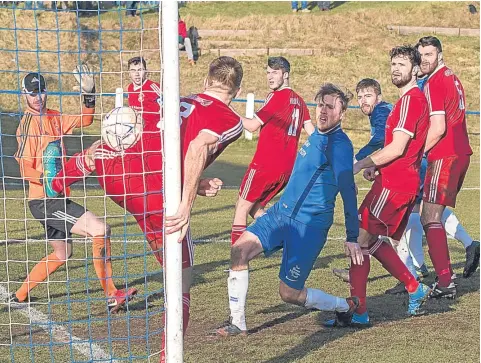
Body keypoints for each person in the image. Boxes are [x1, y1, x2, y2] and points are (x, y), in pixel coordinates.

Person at [49, 56, 245, 361]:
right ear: (236, 89)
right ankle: (169, 356)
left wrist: (195, 182)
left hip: (119, 175)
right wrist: (185, 203)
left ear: (207, 80)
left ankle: (58, 183)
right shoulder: (231, 120)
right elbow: (196, 148)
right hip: (156, 195)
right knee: (182, 279)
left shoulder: (180, 99)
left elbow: (160, 142)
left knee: (97, 153)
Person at [216, 83, 362, 337]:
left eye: (330, 107)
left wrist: (351, 237)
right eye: (321, 106)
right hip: (280, 215)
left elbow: (349, 192)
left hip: (309, 227)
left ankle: (343, 305)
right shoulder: (316, 135)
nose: (323, 112)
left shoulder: (340, 146)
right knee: (239, 251)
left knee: (289, 293)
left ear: (342, 114)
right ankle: (237, 323)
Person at [11, 69, 136, 312]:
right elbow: (24, 168)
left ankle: (19, 295)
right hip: (46, 200)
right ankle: (113, 294)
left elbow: (85, 119)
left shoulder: (54, 117)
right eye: (32, 93)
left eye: (41, 92)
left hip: (54, 197)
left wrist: (89, 94)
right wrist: (46, 181)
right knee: (100, 229)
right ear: (24, 95)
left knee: (62, 253)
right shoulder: (27, 125)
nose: (38, 97)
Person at [327, 46, 432, 328]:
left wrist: (360, 164)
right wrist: (377, 165)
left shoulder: (411, 101)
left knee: (360, 241)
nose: (396, 68)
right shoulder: (404, 102)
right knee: (369, 240)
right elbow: (399, 148)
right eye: (393, 64)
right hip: (391, 180)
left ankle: (361, 310)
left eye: (403, 64)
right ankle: (410, 288)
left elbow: (397, 148)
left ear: (416, 70)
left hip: (396, 185)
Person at [230, 57, 314, 246]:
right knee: (256, 208)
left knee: (242, 207)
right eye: (268, 72)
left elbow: (251, 126)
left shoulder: (278, 97)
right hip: (286, 169)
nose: (270, 76)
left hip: (265, 164)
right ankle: (285, 237)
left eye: (275, 72)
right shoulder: (300, 102)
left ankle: (237, 261)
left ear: (286, 75)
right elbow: (314, 135)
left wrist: (225, 109)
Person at [417, 36, 476, 298]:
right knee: (430, 215)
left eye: (429, 54)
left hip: (446, 154)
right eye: (421, 56)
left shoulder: (435, 82)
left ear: (440, 54)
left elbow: (438, 128)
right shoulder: (452, 76)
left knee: (429, 216)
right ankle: (445, 276)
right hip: (460, 151)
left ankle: (444, 282)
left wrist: (416, 152)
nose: (425, 60)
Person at [126, 56, 162, 125]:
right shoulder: (130, 88)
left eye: (140, 70)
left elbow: (166, 110)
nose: (137, 74)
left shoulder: (154, 88)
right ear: (129, 74)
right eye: (133, 70)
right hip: (137, 130)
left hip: (153, 130)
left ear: (146, 72)